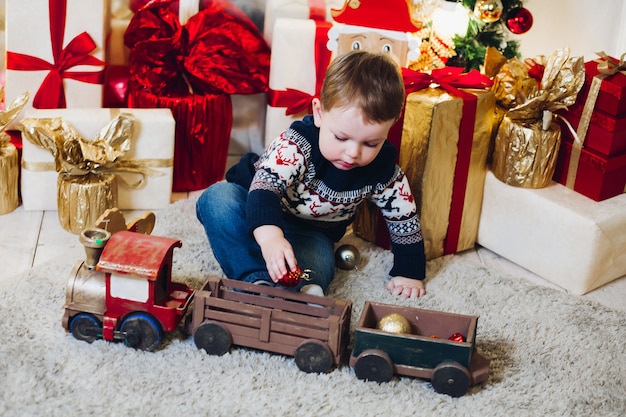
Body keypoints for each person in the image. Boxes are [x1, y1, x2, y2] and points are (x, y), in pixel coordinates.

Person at [196, 50, 426, 299]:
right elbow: (265, 190)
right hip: (254, 203)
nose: (352, 153)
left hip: (312, 232)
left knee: (316, 269)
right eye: (340, 137)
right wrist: (271, 237)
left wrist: (409, 272)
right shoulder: (296, 145)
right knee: (217, 199)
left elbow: (404, 219)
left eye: (370, 144)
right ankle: (254, 280)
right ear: (318, 113)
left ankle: (299, 295)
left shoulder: (383, 171)